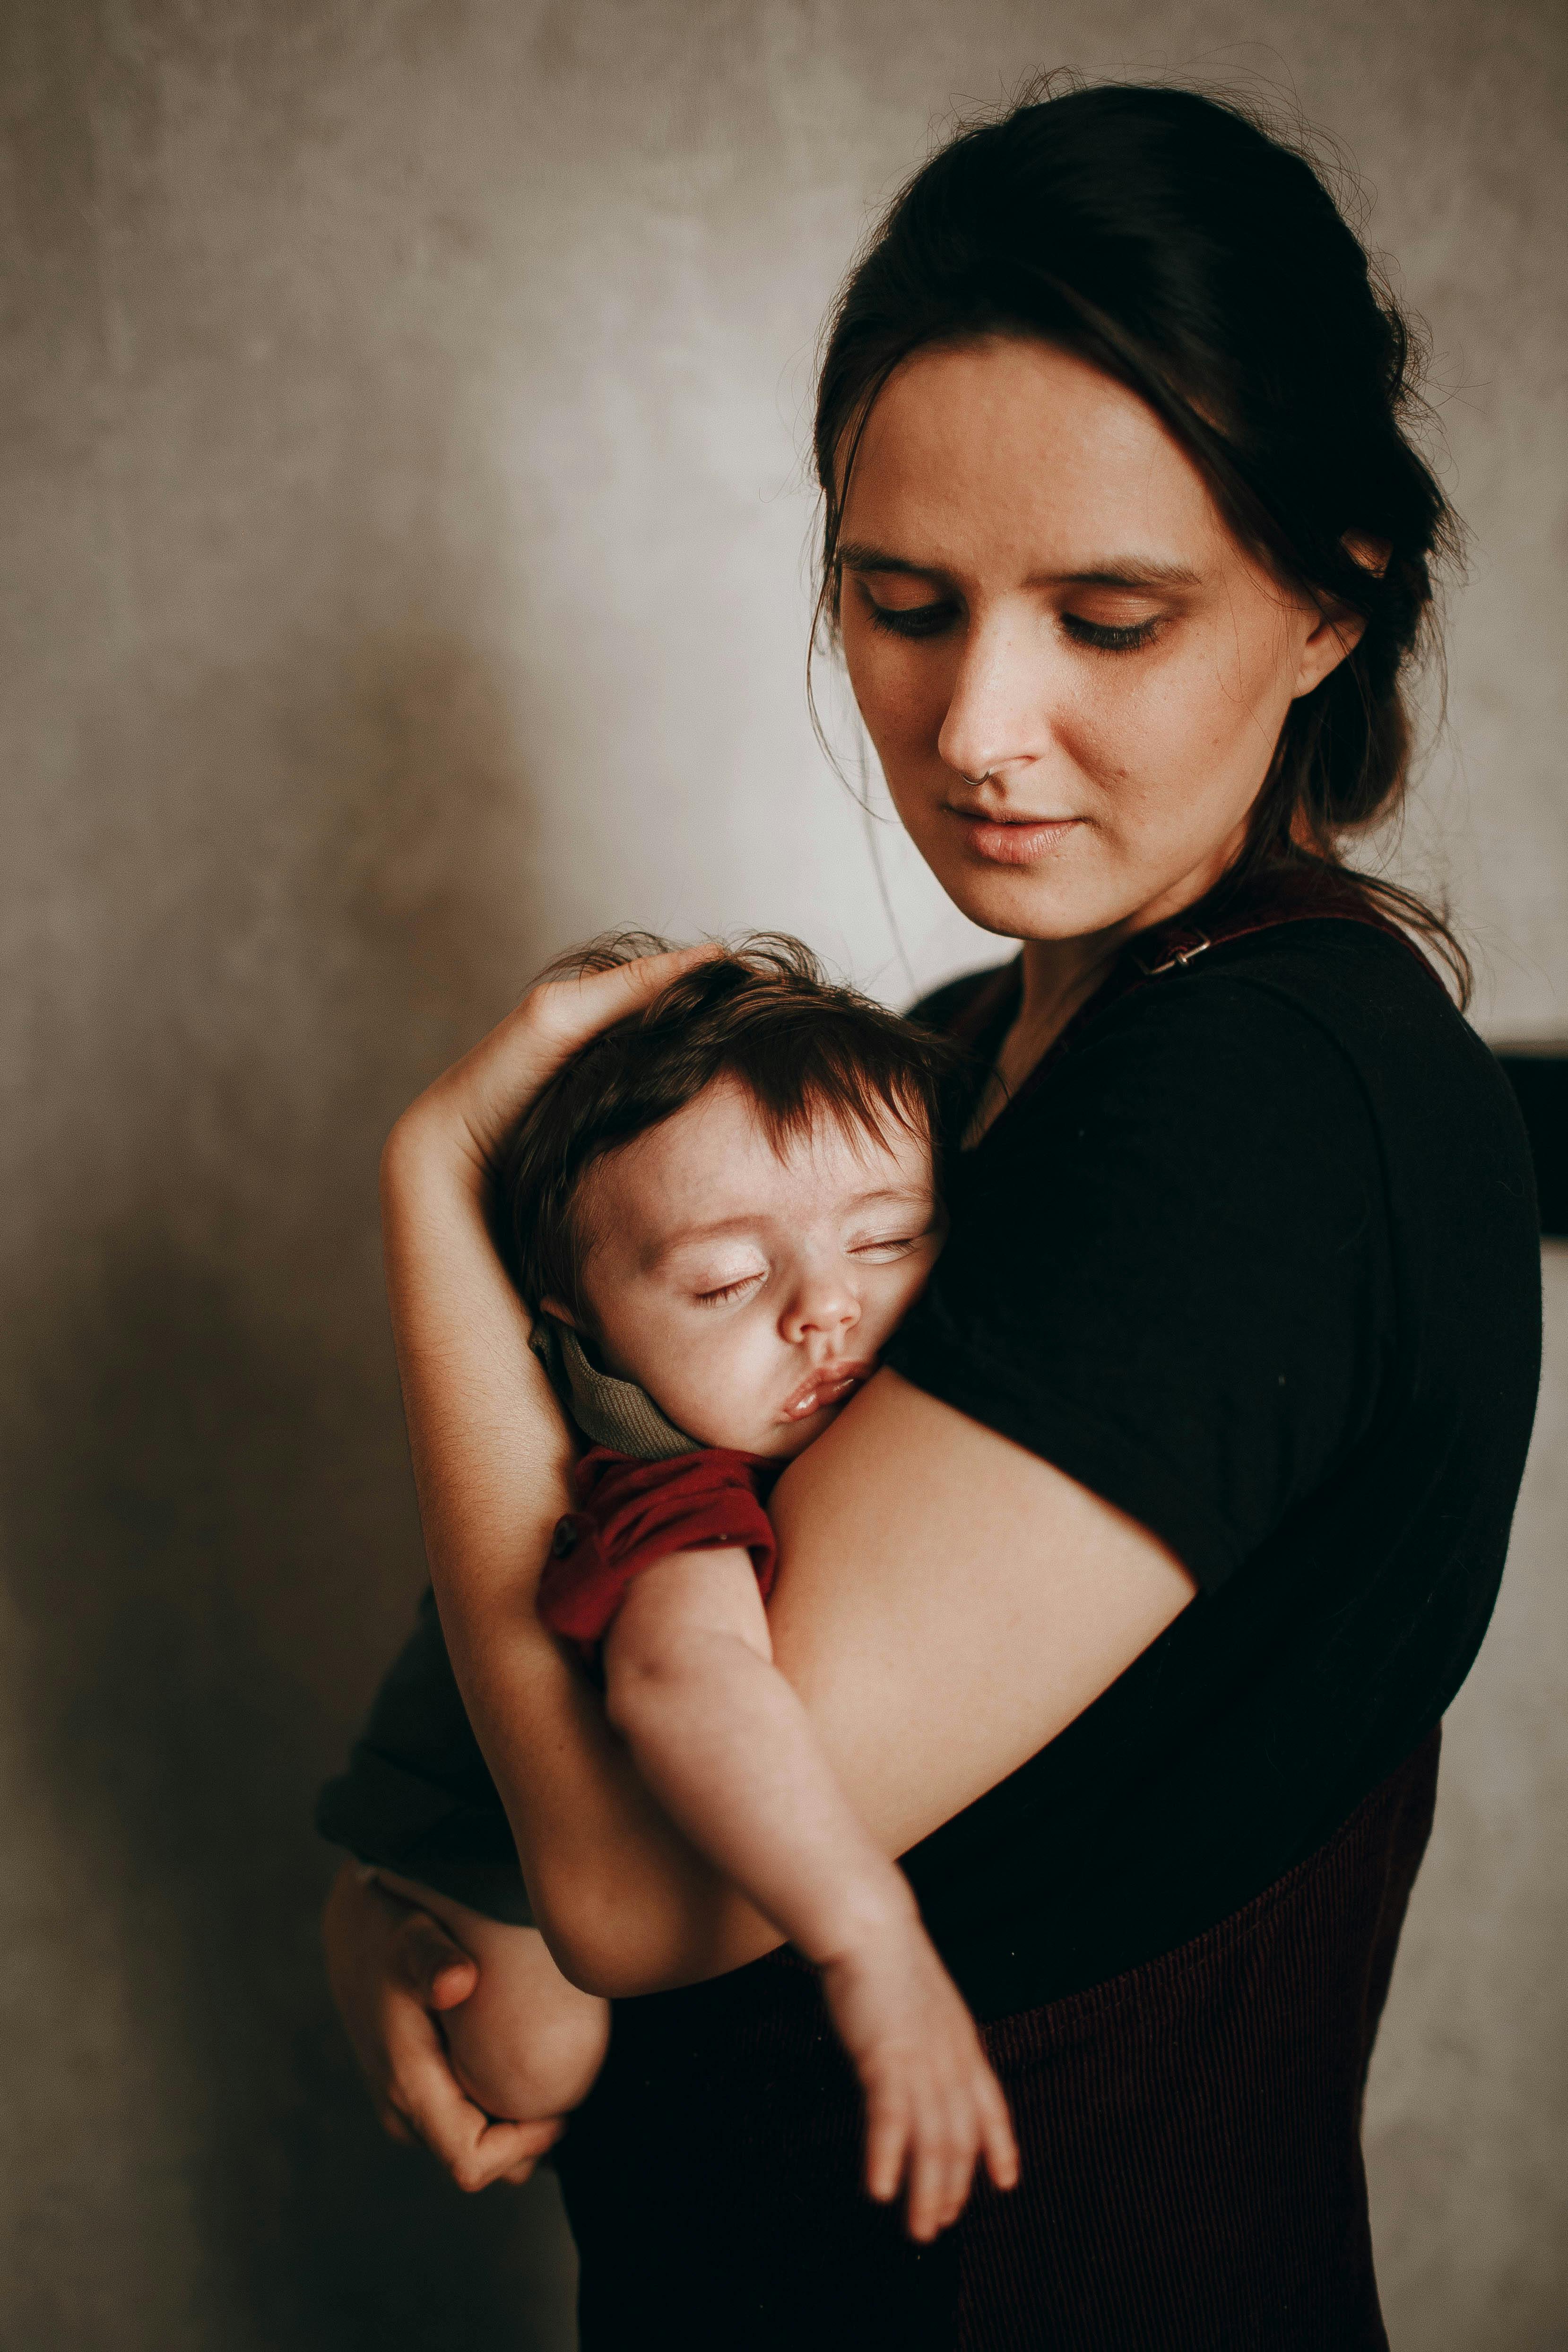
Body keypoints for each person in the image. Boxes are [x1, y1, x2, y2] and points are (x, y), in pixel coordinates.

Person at [320, 79, 1542, 2348]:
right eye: (902, 602)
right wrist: (394, 1881)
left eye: (1106, 616)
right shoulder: (959, 1052)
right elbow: (588, 1623)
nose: (976, 725)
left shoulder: (1269, 1101)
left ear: (1325, 604)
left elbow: (637, 1884)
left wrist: (426, 1200)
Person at [338, 938, 1018, 2235]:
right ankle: (383, 1881)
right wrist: (869, 1937)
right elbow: (683, 1679)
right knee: (532, 2058)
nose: (829, 1308)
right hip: (474, 1806)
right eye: (724, 1281)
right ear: (580, 1329)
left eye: (890, 1239)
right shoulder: (670, 1484)